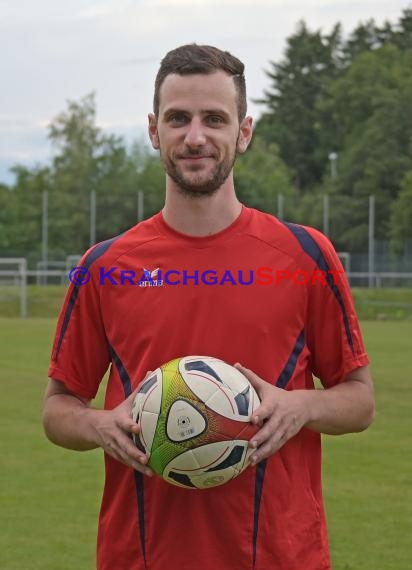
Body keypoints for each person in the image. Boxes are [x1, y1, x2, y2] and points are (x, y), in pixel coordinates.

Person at [43, 44, 375, 570]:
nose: (195, 137)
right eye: (178, 119)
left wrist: (301, 406)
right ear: (155, 131)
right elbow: (58, 409)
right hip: (143, 557)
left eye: (214, 119)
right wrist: (99, 424)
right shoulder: (103, 265)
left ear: (243, 132)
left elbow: (359, 401)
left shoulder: (307, 255)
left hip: (283, 556)